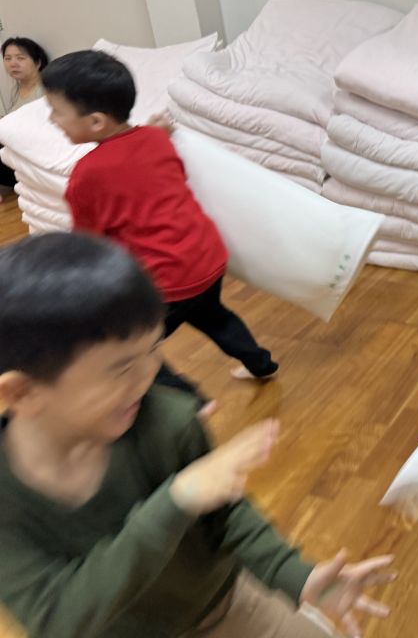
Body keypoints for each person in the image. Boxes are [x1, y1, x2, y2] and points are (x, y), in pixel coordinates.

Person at [0, 232, 396, 637]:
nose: (147, 377)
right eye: (121, 368)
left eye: (154, 350)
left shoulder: (165, 420)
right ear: (22, 393)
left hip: (223, 606)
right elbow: (55, 617)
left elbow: (225, 512)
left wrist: (296, 575)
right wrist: (174, 502)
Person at [41, 50, 278, 399]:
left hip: (166, 281)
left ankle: (190, 402)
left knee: (135, 347)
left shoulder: (87, 175)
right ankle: (261, 364)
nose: (51, 120)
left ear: (96, 122)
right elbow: (146, 153)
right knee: (214, 316)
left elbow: (90, 245)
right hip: (206, 258)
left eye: (56, 111)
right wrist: (158, 132)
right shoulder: (154, 139)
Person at [1, 37, 49, 192]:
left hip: (32, 160)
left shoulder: (46, 90)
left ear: (38, 62)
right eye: (7, 58)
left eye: (20, 58)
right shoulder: (16, 89)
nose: (13, 64)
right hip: (15, 152)